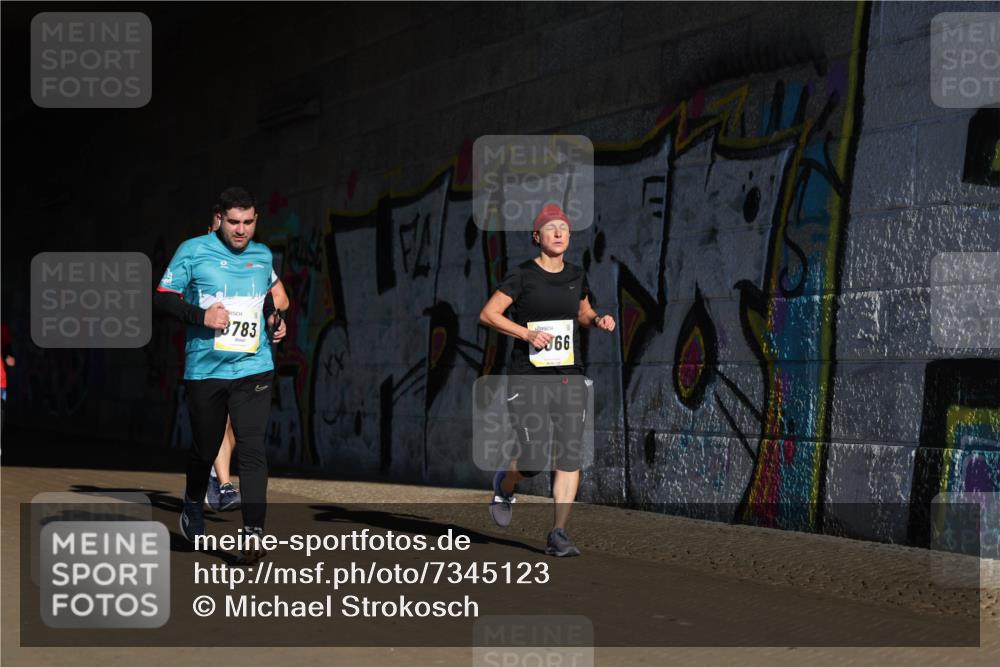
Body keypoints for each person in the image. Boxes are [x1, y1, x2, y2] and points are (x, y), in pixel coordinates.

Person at [154, 187, 286, 562]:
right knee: (205, 448)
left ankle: (253, 532)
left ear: (256, 220)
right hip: (206, 369)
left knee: (253, 447)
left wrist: (276, 324)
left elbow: (265, 305)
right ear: (220, 219)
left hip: (253, 366)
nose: (241, 230)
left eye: (247, 222)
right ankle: (193, 504)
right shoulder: (192, 250)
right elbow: (162, 296)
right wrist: (202, 317)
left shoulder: (262, 257)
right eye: (233, 222)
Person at [479, 203, 616, 557]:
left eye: (564, 228)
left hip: (569, 376)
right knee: (533, 459)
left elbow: (583, 311)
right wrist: (525, 335)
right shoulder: (522, 276)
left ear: (569, 236)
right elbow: (489, 314)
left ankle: (558, 533)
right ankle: (505, 483)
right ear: (537, 236)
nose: (558, 233)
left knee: (569, 454)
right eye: (550, 228)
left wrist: (597, 320)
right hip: (528, 378)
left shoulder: (576, 275)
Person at [202, 207, 290, 513]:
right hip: (211, 357)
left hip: (249, 356)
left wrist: (266, 313)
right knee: (218, 421)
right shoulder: (199, 261)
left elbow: (282, 298)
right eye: (221, 229)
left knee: (234, 428)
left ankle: (216, 478)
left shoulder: (254, 263)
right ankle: (223, 485)